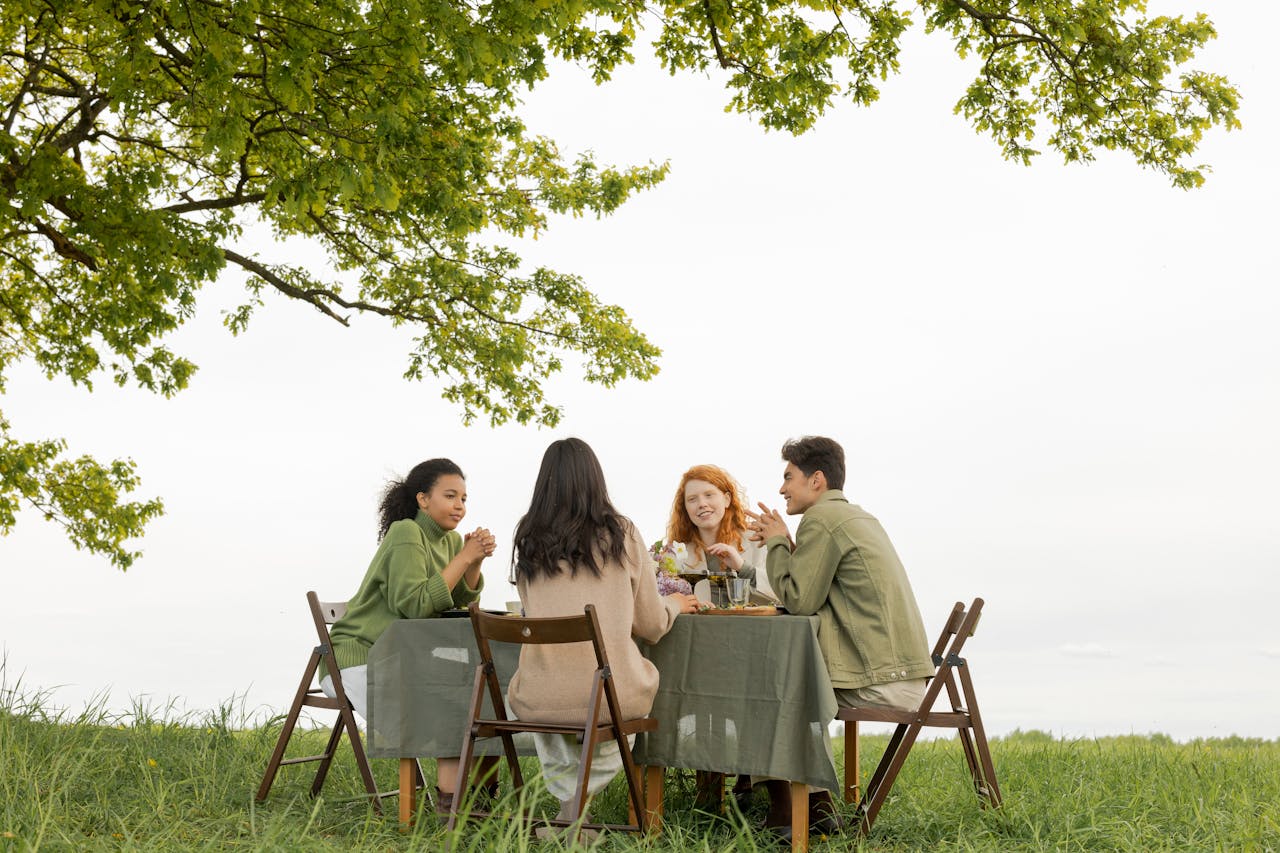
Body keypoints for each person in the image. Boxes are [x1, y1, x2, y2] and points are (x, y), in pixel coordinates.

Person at [507, 438, 700, 828]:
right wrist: (676, 605)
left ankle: (568, 809)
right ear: (596, 479)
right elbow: (649, 624)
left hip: (539, 692)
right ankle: (578, 809)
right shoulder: (622, 533)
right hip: (609, 693)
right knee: (619, 711)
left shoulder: (527, 537)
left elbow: (532, 609)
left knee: (552, 710)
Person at [747, 436, 933, 838]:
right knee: (784, 679)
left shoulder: (822, 520)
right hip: (900, 675)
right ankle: (813, 807)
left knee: (770, 687)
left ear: (816, 480)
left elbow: (798, 600)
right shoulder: (853, 517)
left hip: (883, 683)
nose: (781, 489)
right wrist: (788, 543)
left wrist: (779, 541)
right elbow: (812, 589)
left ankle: (791, 810)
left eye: (788, 477)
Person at [320, 458, 496, 810]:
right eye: (450, 496)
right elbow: (415, 605)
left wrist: (472, 562)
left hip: (406, 658)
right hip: (361, 658)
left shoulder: (448, 542)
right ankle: (454, 809)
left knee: (479, 695)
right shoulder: (406, 533)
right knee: (447, 709)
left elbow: (456, 600)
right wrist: (464, 558)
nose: (460, 506)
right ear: (423, 499)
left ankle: (474, 801)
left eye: (464, 498)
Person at [664, 463, 774, 600]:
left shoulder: (757, 541)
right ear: (685, 508)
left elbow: (782, 593)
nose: (702, 504)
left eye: (709, 495)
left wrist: (742, 567)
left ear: (727, 499)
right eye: (692, 499)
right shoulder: (675, 552)